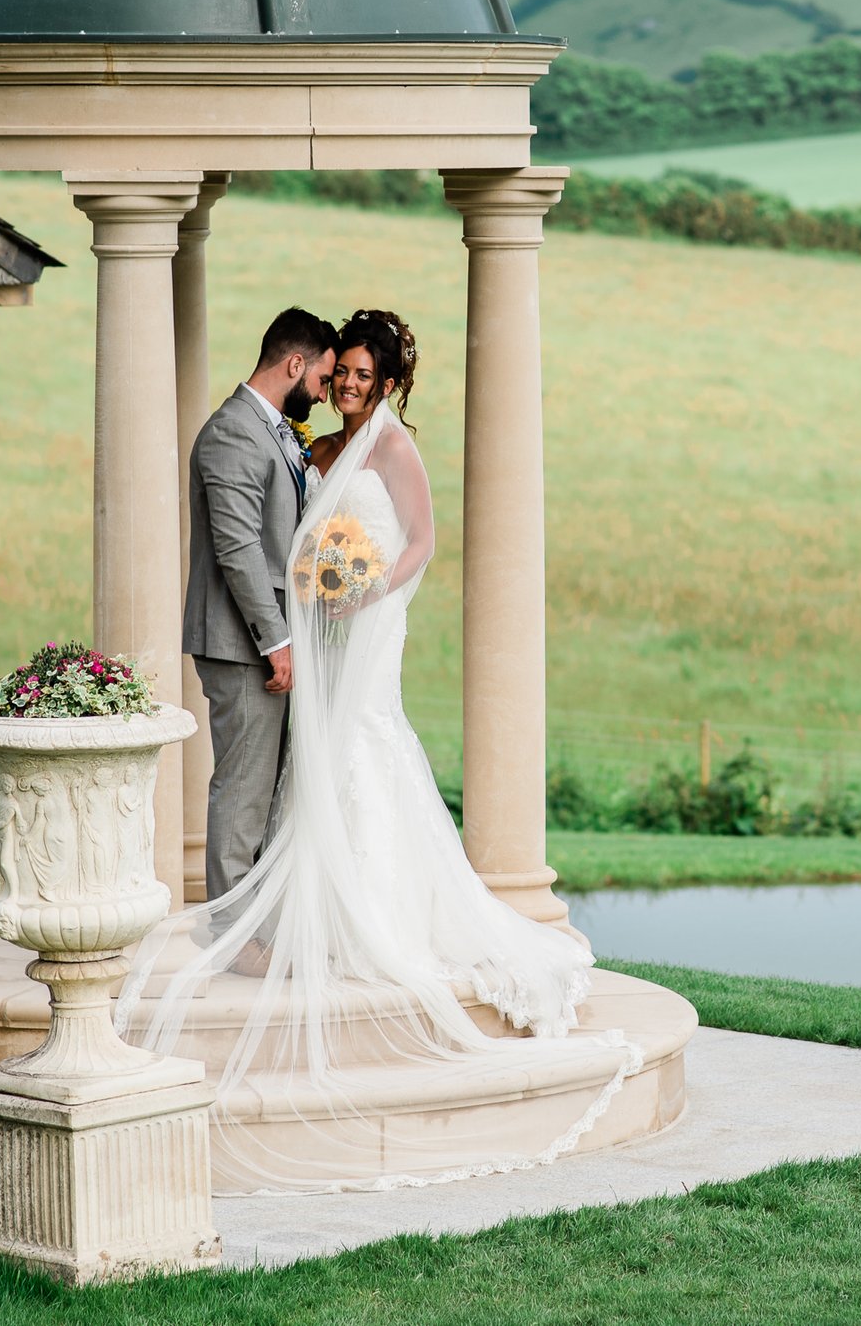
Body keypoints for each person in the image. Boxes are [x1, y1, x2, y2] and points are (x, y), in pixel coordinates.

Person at [127, 308, 633, 1192]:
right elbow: (274, 541)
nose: (348, 387)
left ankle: (373, 916)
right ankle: (277, 917)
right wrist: (313, 601)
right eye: (342, 373)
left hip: (360, 628)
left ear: (389, 383)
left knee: (363, 754)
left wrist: (368, 590)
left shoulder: (391, 448)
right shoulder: (311, 445)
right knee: (300, 771)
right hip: (308, 636)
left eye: (362, 376)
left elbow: (422, 541)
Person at [184, 308, 336, 915]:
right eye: (322, 381)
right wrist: (277, 642)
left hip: (268, 637)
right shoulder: (233, 432)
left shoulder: (270, 429)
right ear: (294, 364)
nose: (323, 396)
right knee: (243, 789)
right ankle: (228, 935)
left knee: (266, 788)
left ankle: (258, 925)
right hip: (241, 642)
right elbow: (238, 547)